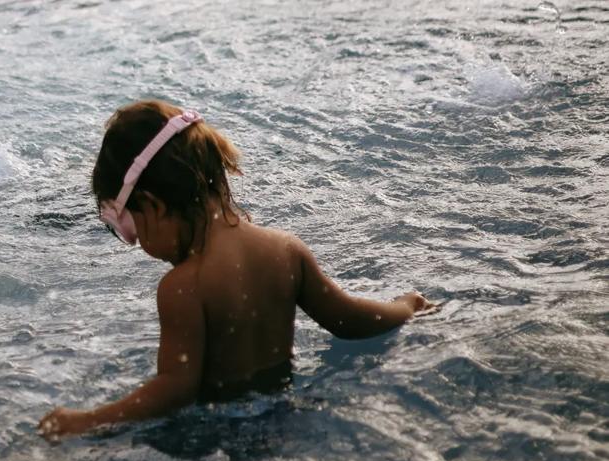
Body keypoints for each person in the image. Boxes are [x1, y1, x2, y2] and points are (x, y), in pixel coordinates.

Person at [38, 100, 433, 440]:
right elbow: (351, 321)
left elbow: (175, 391)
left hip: (213, 440)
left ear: (153, 206)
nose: (137, 244)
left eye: (126, 227)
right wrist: (405, 306)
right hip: (286, 419)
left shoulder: (184, 286)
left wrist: (85, 421)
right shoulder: (286, 249)